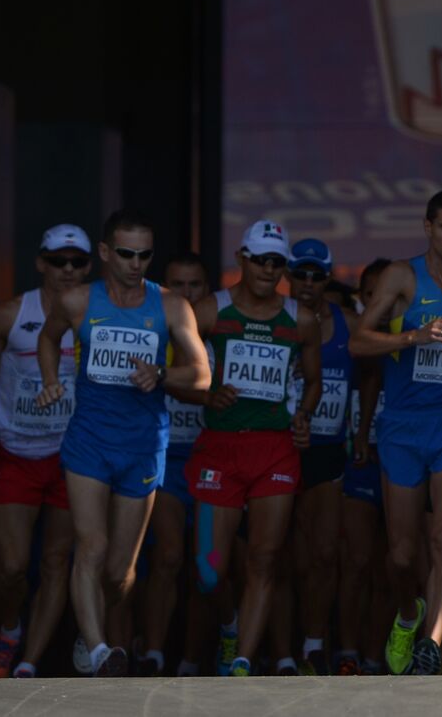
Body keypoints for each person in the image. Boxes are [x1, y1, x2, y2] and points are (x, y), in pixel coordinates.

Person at [36, 210, 211, 677]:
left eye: (145, 254)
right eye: (128, 254)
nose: (137, 263)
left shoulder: (171, 305)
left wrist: (162, 373)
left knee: (119, 572)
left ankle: (85, 627)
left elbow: (202, 375)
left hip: (142, 444)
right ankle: (97, 650)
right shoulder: (77, 300)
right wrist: (51, 379)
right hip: (89, 441)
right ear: (106, 253)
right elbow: (48, 339)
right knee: (89, 547)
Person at [349, 190, 442, 676]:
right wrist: (410, 337)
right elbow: (358, 340)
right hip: (403, 426)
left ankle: (433, 641)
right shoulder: (400, 276)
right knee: (400, 554)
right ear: (429, 227)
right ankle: (409, 613)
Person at [183, 220, 320, 677]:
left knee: (264, 559)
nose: (268, 268)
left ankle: (241, 661)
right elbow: (172, 368)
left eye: (276, 261)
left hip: (274, 451)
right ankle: (229, 624)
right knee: (209, 571)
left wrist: (303, 414)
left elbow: (315, 380)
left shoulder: (300, 318)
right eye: (260, 259)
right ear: (241, 258)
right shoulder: (208, 310)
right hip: (219, 449)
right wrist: (204, 395)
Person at [0, 225, 90, 678]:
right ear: (41, 262)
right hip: (18, 454)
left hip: (71, 456)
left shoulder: (96, 315)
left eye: (77, 262)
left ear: (88, 266)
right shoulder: (11, 313)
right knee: (11, 566)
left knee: (57, 561)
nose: (67, 269)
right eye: (58, 260)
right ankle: (9, 630)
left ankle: (27, 662)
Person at [137, 252, 214, 677]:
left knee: (206, 566)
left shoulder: (219, 335)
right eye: (177, 286)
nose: (186, 294)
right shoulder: (149, 332)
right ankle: (152, 654)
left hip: (210, 461)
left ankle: (189, 660)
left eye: (195, 286)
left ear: (207, 291)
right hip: (164, 456)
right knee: (167, 556)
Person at [285, 238, 356, 675]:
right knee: (281, 556)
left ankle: (312, 644)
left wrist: (362, 430)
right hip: (282, 450)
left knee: (326, 554)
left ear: (327, 277)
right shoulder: (273, 319)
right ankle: (281, 652)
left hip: (328, 448)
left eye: (317, 275)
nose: (308, 283)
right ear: (288, 276)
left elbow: (368, 373)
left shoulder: (346, 323)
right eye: (301, 274)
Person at [337, 258, 391, 677]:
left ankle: (376, 655)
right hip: (358, 461)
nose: (379, 301)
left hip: (403, 459)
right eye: (370, 293)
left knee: (393, 566)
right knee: (355, 562)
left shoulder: (416, 335)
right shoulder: (351, 336)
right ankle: (348, 653)